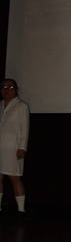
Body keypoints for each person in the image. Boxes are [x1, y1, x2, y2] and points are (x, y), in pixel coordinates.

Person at [0, 78, 29, 213]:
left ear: (16, 90)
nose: (7, 90)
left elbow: (25, 128)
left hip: (13, 147)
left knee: (14, 177)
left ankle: (21, 210)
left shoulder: (21, 106)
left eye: (10, 87)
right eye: (4, 87)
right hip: (0, 146)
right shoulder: (0, 105)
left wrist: (22, 147)